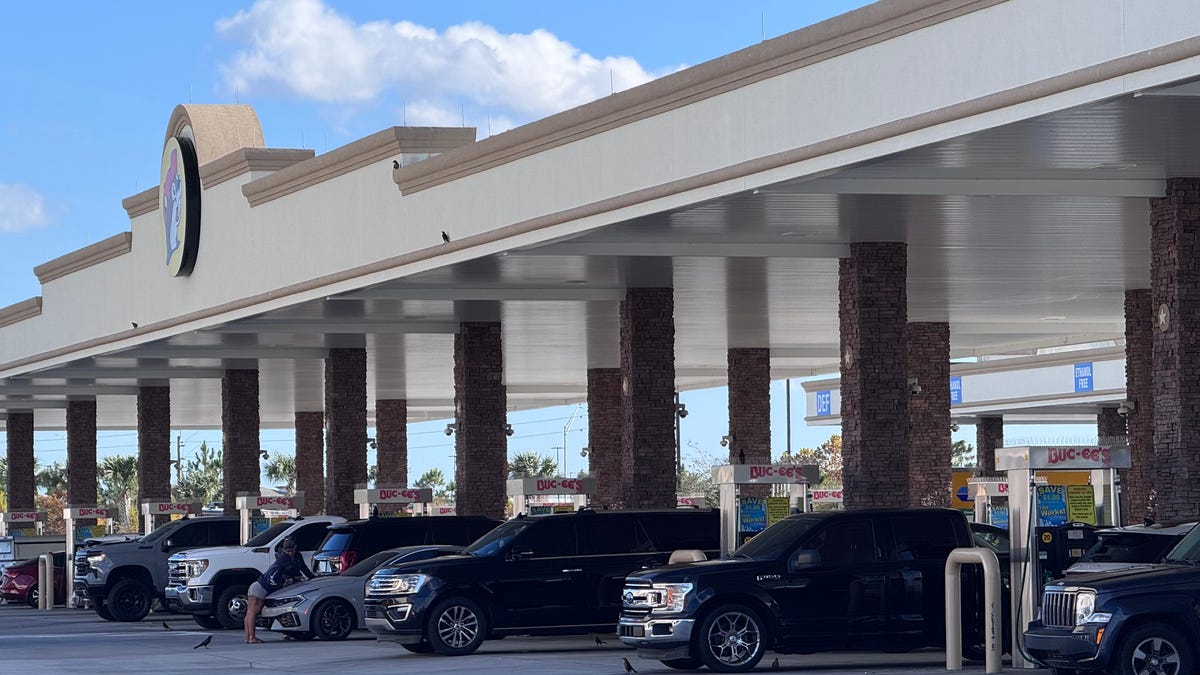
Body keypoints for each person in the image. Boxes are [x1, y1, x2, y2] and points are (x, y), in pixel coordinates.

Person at [244, 535, 313, 643]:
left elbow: (303, 569)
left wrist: (313, 578)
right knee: (253, 612)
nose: (290, 552)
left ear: (295, 548)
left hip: (262, 587)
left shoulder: (297, 557)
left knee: (251, 612)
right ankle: (250, 637)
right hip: (261, 587)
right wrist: (282, 584)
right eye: (288, 550)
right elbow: (272, 578)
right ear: (284, 550)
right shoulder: (282, 560)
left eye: (292, 550)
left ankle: (249, 638)